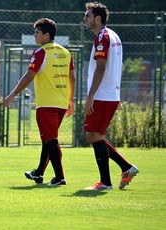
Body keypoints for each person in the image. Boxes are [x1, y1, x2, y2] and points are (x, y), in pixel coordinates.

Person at [4, 18, 75, 186]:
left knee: (51, 141)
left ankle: (60, 178)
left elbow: (29, 77)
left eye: (37, 32)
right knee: (47, 140)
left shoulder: (41, 52)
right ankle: (39, 174)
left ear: (46, 35)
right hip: (61, 103)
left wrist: (13, 94)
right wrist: (70, 100)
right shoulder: (66, 52)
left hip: (46, 105)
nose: (34, 35)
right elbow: (72, 78)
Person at [83, 1, 139, 190]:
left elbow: (101, 68)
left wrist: (90, 96)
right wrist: (117, 93)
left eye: (88, 16)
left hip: (102, 95)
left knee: (93, 136)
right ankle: (126, 168)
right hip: (109, 94)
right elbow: (116, 67)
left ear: (98, 19)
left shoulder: (102, 37)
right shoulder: (113, 35)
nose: (85, 19)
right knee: (94, 136)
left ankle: (106, 182)